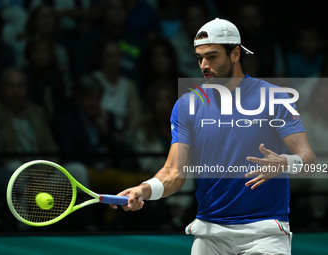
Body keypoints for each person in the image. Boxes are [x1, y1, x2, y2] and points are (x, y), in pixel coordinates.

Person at [112, 18, 317, 254]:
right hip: (210, 234)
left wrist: (284, 162)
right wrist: (143, 190)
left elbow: (308, 160)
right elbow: (173, 173)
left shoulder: (276, 98)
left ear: (235, 53)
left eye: (212, 56)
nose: (204, 65)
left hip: (265, 232)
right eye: (200, 57)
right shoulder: (187, 105)